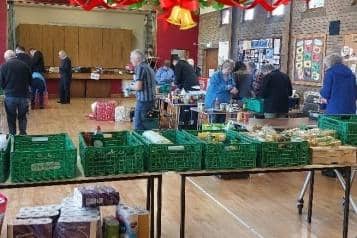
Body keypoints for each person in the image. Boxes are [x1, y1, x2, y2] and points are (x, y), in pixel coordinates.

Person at [0, 50, 31, 135]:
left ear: (6, 58)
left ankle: (13, 135)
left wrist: (5, 89)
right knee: (22, 116)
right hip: (24, 96)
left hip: (10, 96)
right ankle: (23, 134)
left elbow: (1, 83)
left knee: (11, 117)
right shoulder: (24, 65)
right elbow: (30, 80)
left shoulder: (3, 66)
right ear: (15, 56)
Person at [129, 49, 156, 130]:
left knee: (138, 126)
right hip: (151, 100)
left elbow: (138, 87)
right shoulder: (148, 67)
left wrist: (130, 87)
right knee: (147, 125)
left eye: (131, 58)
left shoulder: (140, 68)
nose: (130, 60)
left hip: (143, 101)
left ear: (136, 59)